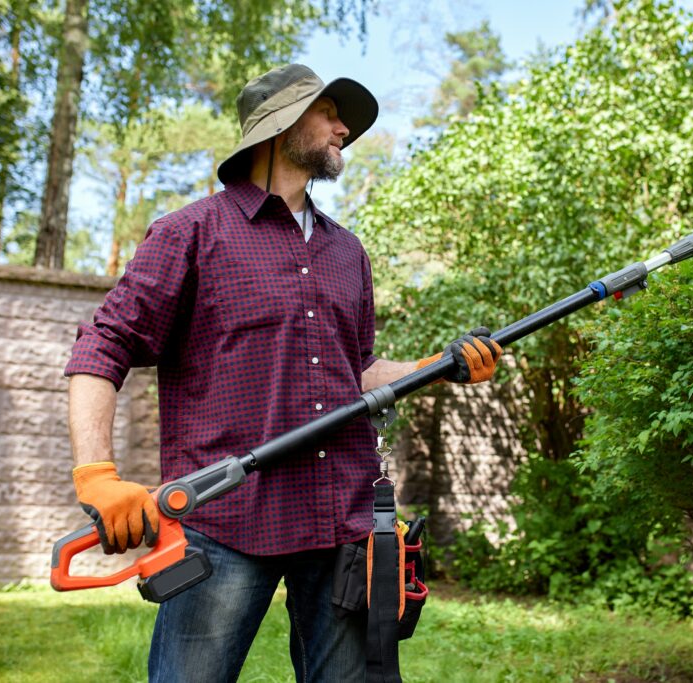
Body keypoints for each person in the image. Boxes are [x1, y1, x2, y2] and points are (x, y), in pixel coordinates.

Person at [64, 64, 502, 683]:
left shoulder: (347, 250)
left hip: (341, 517)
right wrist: (96, 475)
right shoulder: (190, 233)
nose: (344, 130)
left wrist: (437, 368)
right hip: (225, 518)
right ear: (280, 123)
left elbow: (357, 369)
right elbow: (104, 345)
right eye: (329, 113)